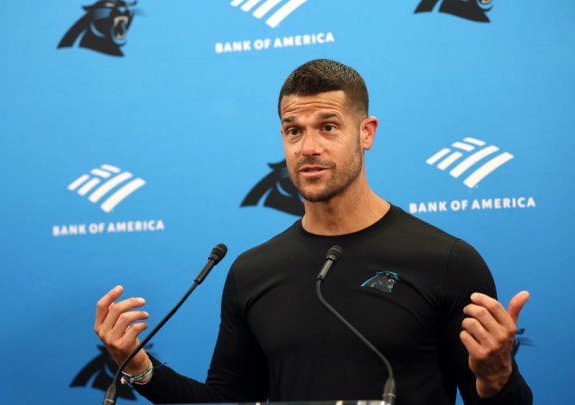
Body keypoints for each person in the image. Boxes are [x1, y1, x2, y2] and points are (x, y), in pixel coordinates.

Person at [94, 59, 533, 405]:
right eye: (293, 130)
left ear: (366, 133)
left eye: (328, 127)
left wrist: (497, 378)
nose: (308, 148)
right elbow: (229, 399)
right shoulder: (253, 270)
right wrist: (138, 366)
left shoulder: (447, 261)